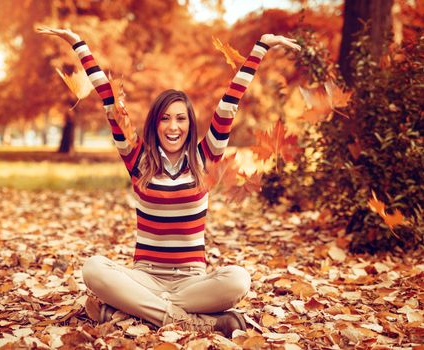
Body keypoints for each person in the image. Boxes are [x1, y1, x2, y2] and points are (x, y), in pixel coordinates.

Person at [38, 26, 300, 337]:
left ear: (190, 124)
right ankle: (200, 322)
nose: (172, 126)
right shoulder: (138, 160)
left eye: (180, 118)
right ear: (155, 123)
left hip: (192, 280)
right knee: (93, 269)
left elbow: (231, 101)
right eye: (165, 118)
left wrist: (260, 48)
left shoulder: (206, 158)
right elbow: (111, 104)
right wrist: (79, 45)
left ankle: (131, 311)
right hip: (145, 276)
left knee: (238, 280)